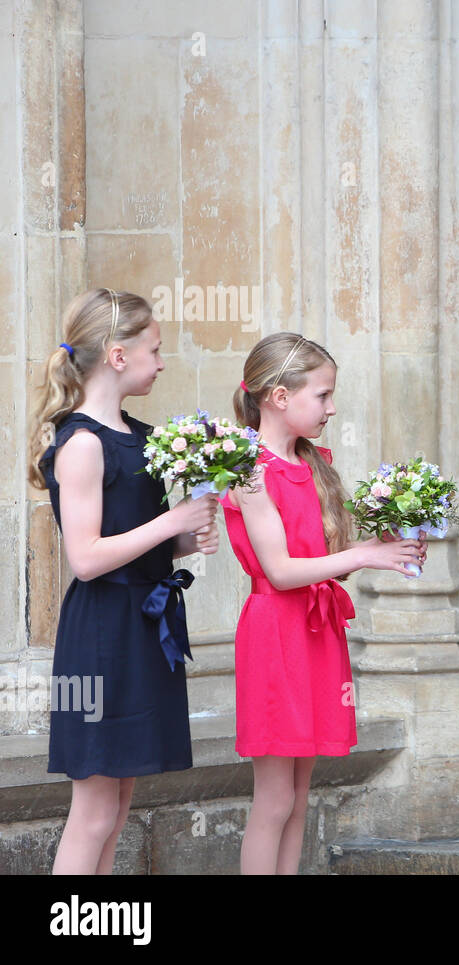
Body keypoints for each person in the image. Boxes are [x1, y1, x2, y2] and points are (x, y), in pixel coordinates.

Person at [29, 288, 221, 874]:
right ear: (117, 355)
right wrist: (170, 522)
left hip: (142, 625)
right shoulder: (82, 442)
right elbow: (85, 558)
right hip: (98, 638)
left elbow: (134, 537)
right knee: (92, 810)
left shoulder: (141, 436)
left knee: (119, 808)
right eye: (154, 350)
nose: (160, 363)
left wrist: (186, 537)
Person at [221, 333, 424, 874]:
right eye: (323, 395)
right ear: (279, 397)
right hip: (275, 632)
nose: (332, 408)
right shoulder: (251, 472)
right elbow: (282, 571)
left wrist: (385, 544)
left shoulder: (312, 463)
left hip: (315, 630)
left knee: (300, 794)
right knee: (275, 799)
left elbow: (321, 551)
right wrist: (364, 559)